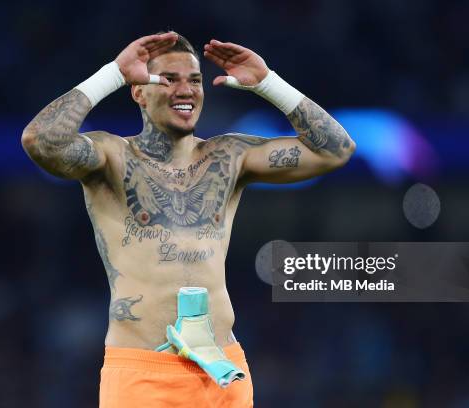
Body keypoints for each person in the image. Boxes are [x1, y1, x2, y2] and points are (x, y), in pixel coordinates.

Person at [21, 31, 355, 407]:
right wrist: (113, 73)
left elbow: (336, 151)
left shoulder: (229, 156)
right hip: (142, 374)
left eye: (194, 80)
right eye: (168, 79)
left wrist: (268, 84)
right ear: (138, 91)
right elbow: (40, 140)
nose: (186, 90)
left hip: (223, 372)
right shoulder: (111, 157)